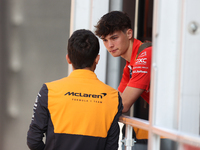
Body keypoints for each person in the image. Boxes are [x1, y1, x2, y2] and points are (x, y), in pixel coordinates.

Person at [27, 29, 123, 150]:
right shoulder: (113, 97)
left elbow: (33, 140)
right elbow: (111, 146)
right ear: (97, 59)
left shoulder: (49, 91)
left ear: (68, 59)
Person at [94, 11, 152, 146]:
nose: (110, 45)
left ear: (129, 34)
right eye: (105, 40)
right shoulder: (129, 66)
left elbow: (123, 104)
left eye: (114, 38)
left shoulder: (145, 55)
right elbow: (118, 98)